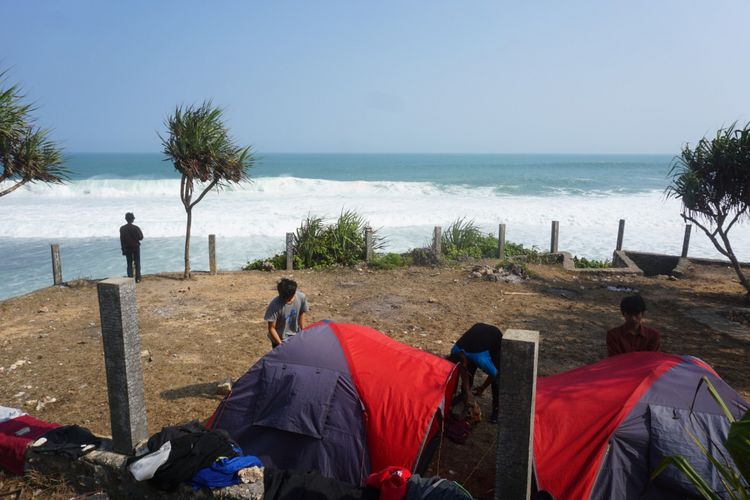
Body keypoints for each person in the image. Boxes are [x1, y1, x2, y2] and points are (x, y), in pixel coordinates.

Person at [446, 323, 502, 424]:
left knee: (498, 379)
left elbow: (495, 375)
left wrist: (483, 388)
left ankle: (497, 410)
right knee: (469, 368)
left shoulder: (482, 360)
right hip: (477, 332)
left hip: (494, 336)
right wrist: (467, 391)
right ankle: (465, 395)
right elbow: (463, 368)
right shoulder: (455, 351)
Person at [264, 278, 309, 348]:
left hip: (295, 336)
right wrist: (281, 345)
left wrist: (303, 331)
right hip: (279, 339)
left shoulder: (301, 297)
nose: (287, 301)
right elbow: (271, 328)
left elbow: (301, 313)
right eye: (284, 299)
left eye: (289, 299)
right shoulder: (274, 305)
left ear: (294, 292)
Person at [119, 212, 143, 283]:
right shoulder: (136, 228)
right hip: (136, 247)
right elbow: (141, 237)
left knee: (129, 263)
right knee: (137, 263)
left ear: (126, 219)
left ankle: (130, 278)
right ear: (132, 219)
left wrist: (123, 249)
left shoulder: (122, 228)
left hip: (127, 248)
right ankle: (138, 278)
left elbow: (122, 240)